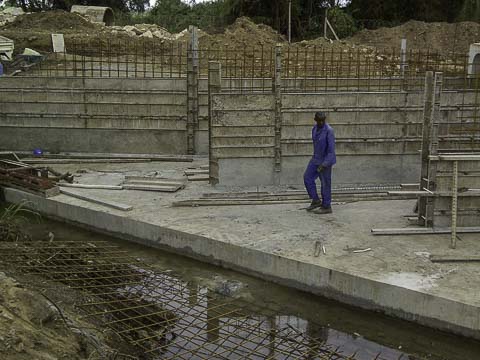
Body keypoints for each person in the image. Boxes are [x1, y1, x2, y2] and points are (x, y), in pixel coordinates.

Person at [303, 111, 336, 213]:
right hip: (316, 158)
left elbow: (331, 150)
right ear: (315, 120)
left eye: (323, 121)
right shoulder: (314, 129)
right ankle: (316, 200)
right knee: (307, 177)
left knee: (325, 183)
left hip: (326, 160)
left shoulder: (329, 131)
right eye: (319, 121)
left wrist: (325, 164)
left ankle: (327, 206)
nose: (321, 123)